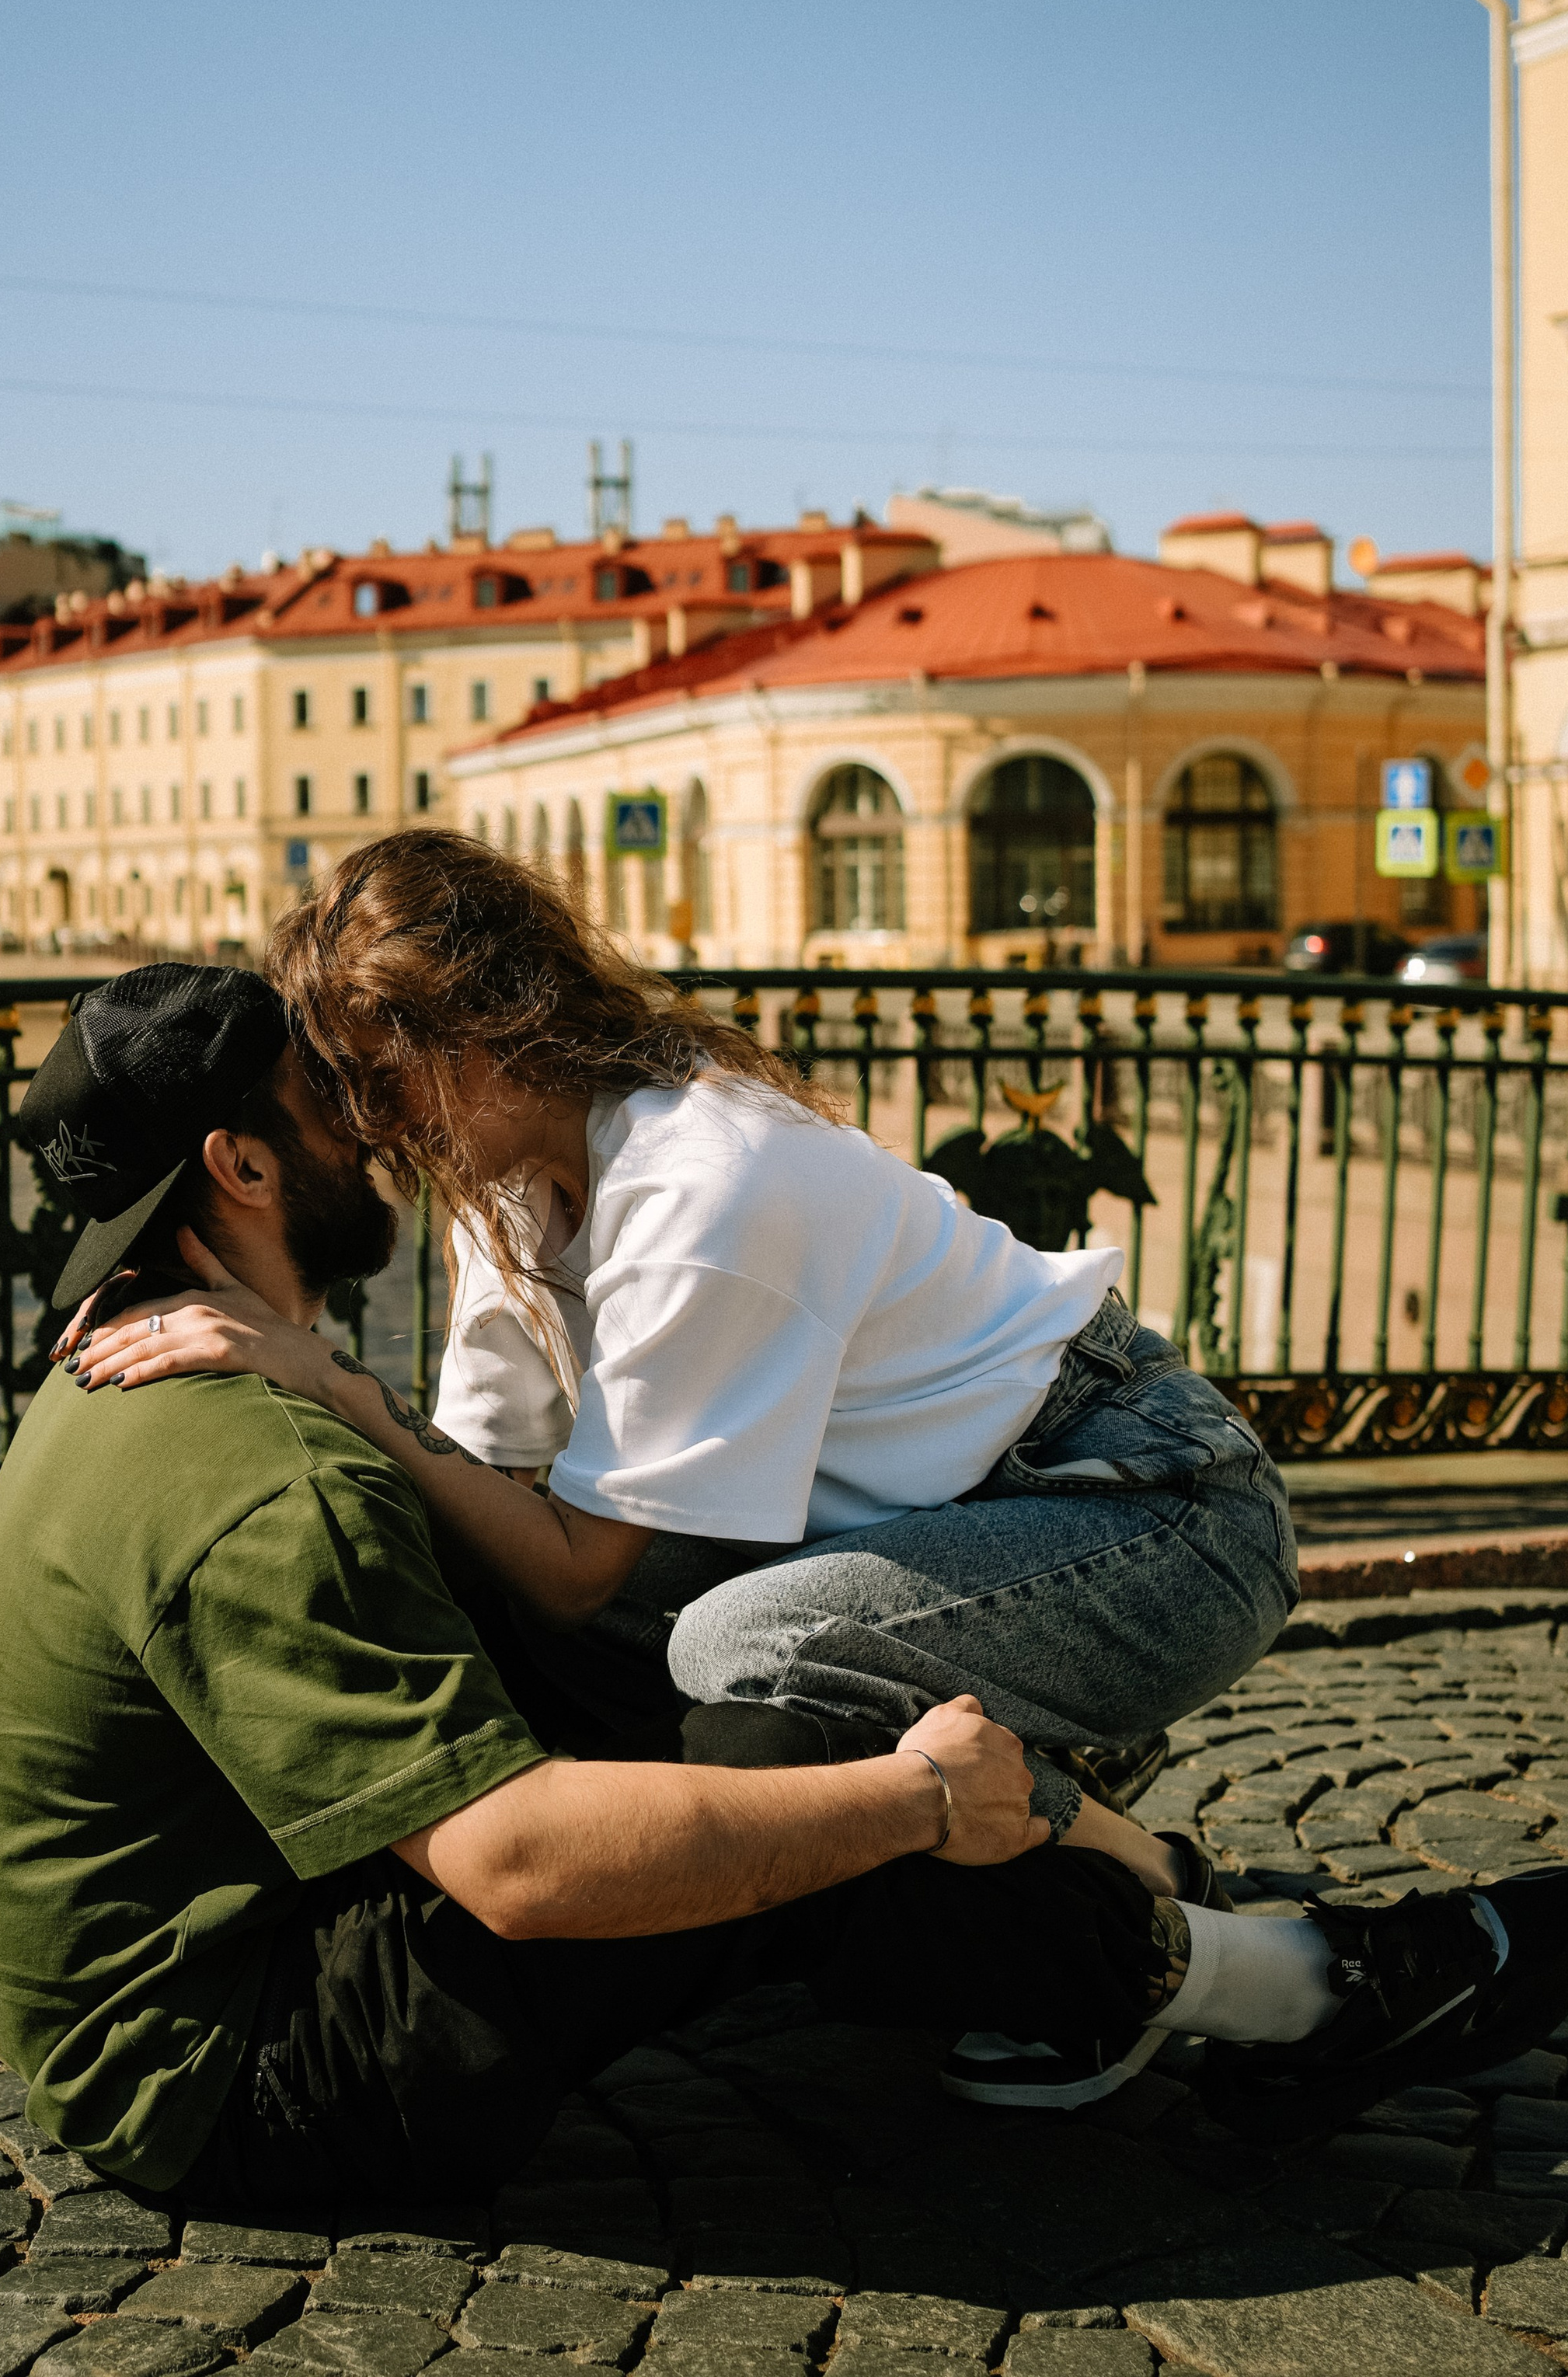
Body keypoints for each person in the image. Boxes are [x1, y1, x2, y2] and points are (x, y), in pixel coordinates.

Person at [0, 959, 1568, 2207]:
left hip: (231, 1970)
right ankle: (1295, 1995)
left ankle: (1151, 1904)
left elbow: (533, 1592)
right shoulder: (253, 1464)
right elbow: (517, 1868)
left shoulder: (168, 1384)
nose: (378, 1128)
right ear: (242, 1169)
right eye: (333, 1099)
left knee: (711, 1715)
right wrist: (905, 1800)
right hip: (241, 2078)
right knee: (791, 1774)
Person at [71, 832, 1293, 1987]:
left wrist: (331, 1382)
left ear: (497, 1021)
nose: (373, 1128)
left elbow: (572, 1572)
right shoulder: (504, 1191)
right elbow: (479, 1492)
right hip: (964, 1519)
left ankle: (1144, 1867)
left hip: (1148, 1508)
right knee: (572, 1630)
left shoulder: (697, 1183)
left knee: (735, 1650)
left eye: (384, 1078)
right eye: (345, 1090)